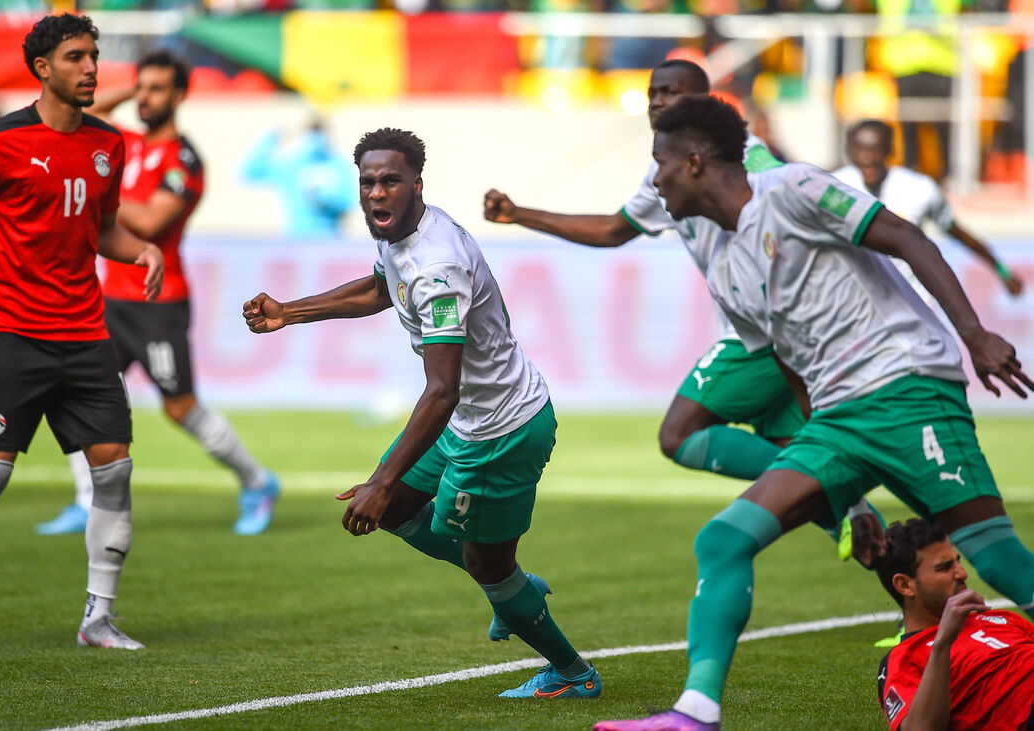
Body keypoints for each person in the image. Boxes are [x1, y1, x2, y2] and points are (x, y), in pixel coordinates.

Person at [594, 95, 1034, 730]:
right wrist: (847, 498)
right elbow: (791, 364)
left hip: (907, 387)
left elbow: (906, 236)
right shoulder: (723, 262)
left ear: (693, 162)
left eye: (659, 164)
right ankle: (696, 714)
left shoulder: (793, 188)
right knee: (723, 539)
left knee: (992, 556)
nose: (653, 181)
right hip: (836, 420)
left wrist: (975, 335)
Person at [243, 127, 602, 698]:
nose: (377, 193)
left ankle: (571, 672)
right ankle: (516, 586)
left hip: (498, 429)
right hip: (466, 419)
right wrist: (291, 311)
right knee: (400, 513)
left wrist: (382, 480)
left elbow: (442, 389)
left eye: (390, 181)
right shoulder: (402, 233)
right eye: (367, 182)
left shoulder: (437, 266)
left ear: (416, 183)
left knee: (479, 559)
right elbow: (381, 290)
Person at [484, 59, 878, 553]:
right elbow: (613, 230)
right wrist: (520, 214)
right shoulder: (664, 167)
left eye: (671, 92)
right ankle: (901, 577)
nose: (657, 101)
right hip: (759, 330)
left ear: (706, 103)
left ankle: (831, 481)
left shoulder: (751, 165)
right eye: (652, 92)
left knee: (680, 433)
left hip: (763, 331)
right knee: (807, 477)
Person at [0, 14, 165, 650]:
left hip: (86, 335)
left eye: (93, 56)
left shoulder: (108, 145)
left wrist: (142, 250)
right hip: (11, 333)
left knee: (115, 470)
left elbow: (103, 229)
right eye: (76, 58)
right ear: (43, 68)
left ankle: (99, 620)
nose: (91, 68)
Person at [34, 49, 280, 538]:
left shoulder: (184, 160)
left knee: (180, 409)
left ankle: (257, 481)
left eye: (157, 88)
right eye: (140, 88)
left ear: (181, 95)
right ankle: (87, 503)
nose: (145, 97)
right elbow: (83, 115)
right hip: (108, 299)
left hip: (158, 302)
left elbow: (148, 222)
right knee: (77, 395)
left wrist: (94, 188)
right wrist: (131, 91)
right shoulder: (124, 141)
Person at [834, 119, 1024, 302]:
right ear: (849, 151)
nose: (867, 158)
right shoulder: (834, 189)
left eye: (874, 149)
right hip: (858, 306)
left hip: (912, 304)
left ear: (889, 150)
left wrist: (1001, 270)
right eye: (859, 149)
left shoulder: (919, 189)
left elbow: (958, 233)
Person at [875, 519, 1034, 730]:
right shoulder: (904, 657)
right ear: (905, 585)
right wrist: (943, 642)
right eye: (945, 568)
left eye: (957, 561)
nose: (962, 573)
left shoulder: (1004, 619)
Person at [239, 117, 355, 238]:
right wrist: (269, 139)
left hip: (329, 241)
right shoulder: (290, 163)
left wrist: (325, 199)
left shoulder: (338, 163)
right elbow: (249, 172)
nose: (316, 140)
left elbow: (350, 201)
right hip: (296, 241)